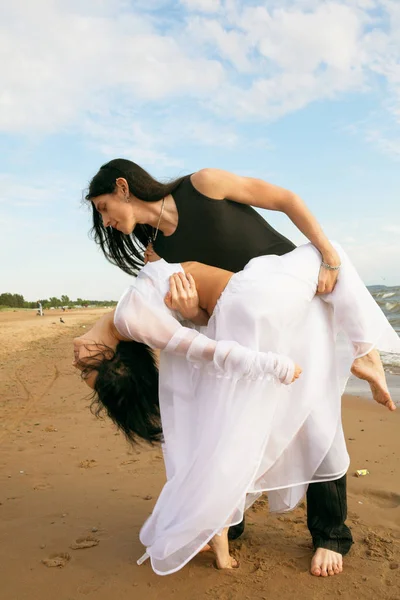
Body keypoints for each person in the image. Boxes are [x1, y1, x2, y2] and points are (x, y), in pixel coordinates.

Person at [83, 158, 366, 576]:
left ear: (123, 187)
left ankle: (331, 535)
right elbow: (204, 315)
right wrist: (189, 310)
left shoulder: (203, 185)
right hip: (245, 333)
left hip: (296, 302)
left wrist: (327, 255)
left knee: (317, 420)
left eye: (104, 208)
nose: (106, 221)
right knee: (231, 425)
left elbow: (285, 200)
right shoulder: (157, 257)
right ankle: (225, 523)